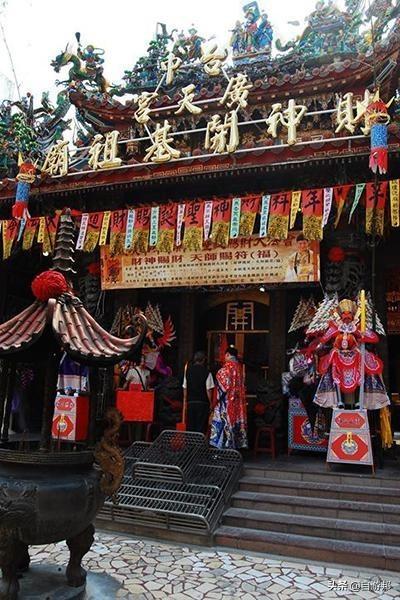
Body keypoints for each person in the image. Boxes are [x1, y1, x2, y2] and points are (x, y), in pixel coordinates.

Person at [209, 346, 248, 449]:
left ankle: (222, 449)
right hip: (238, 403)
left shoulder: (224, 370)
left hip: (226, 403)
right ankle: (235, 448)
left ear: (227, 355)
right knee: (235, 423)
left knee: (222, 424)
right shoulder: (240, 369)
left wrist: (214, 402)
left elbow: (222, 389)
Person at [182, 351, 214, 434]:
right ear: (203, 360)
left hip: (191, 402)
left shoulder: (187, 372)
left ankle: (190, 445)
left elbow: (185, 388)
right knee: (201, 427)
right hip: (202, 403)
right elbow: (208, 390)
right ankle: (200, 445)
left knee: (190, 427)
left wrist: (185, 402)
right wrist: (211, 404)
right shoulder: (207, 372)